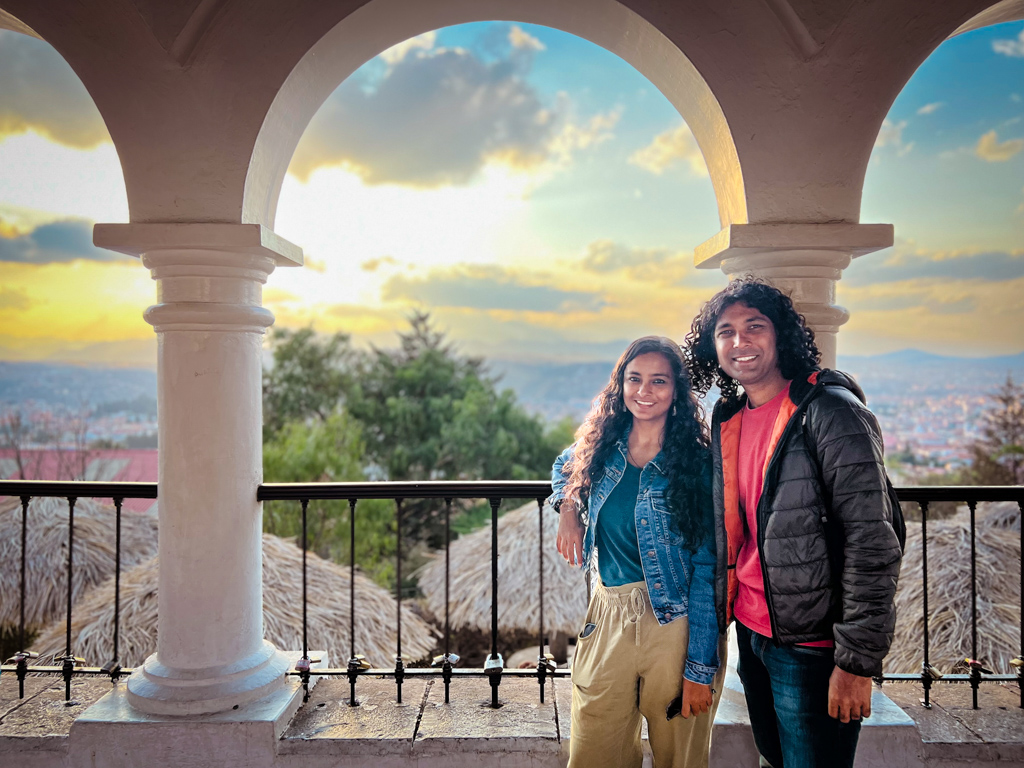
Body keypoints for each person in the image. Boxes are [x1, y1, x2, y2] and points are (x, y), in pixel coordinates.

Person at [684, 277, 903, 768]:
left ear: (780, 334)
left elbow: (873, 542)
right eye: (726, 331)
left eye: (754, 327)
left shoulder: (830, 413)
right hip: (754, 633)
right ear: (712, 345)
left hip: (814, 647)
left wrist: (855, 664)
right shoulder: (730, 418)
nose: (740, 342)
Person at [550, 336, 725, 768]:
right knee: (593, 752)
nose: (644, 391)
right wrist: (568, 509)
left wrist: (699, 667)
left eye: (658, 381)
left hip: (675, 621)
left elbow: (707, 567)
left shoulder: (697, 465)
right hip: (607, 613)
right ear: (620, 384)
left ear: (676, 392)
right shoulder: (600, 448)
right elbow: (562, 467)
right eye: (635, 379)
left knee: (678, 757)